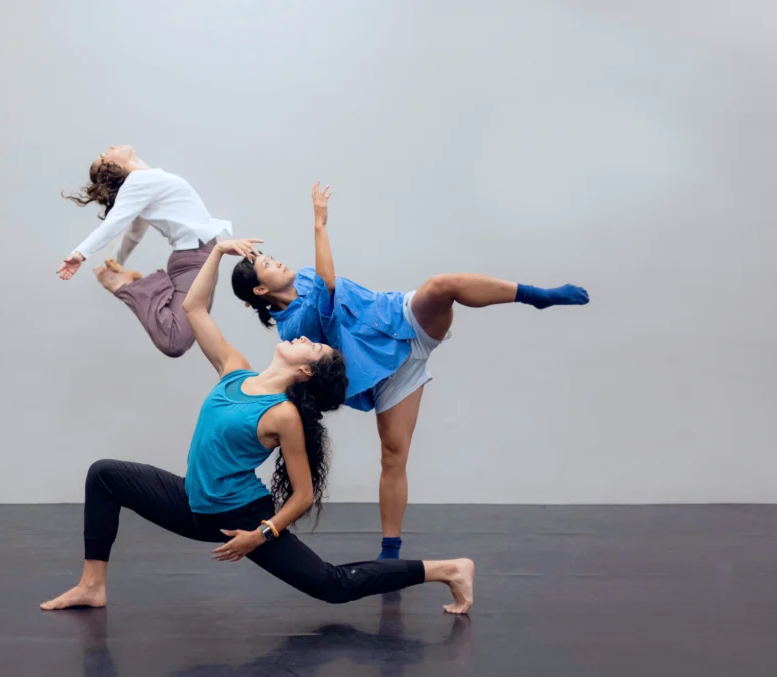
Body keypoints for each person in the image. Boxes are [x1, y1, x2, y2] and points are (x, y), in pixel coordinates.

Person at [40, 237, 476, 614]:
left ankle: (447, 569)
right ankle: (92, 586)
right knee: (104, 476)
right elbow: (193, 307)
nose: (304, 338)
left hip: (241, 518)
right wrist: (219, 253)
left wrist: (261, 534)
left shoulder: (282, 415)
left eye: (313, 349)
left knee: (331, 586)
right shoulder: (236, 370)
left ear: (306, 373)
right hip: (192, 504)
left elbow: (304, 494)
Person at [231, 183, 590, 560]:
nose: (277, 262)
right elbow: (330, 284)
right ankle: (391, 552)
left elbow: (323, 280)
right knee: (393, 456)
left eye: (271, 257)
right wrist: (320, 224)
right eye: (266, 265)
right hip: (386, 375)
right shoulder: (294, 329)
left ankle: (537, 297)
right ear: (258, 291)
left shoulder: (304, 275)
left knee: (441, 285)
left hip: (403, 320)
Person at [56, 145, 233, 357]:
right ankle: (128, 286)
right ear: (112, 166)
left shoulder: (146, 180)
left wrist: (116, 261)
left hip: (197, 255)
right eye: (105, 154)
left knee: (193, 329)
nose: (111, 147)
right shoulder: (137, 182)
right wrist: (80, 253)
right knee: (175, 340)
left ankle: (130, 282)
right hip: (195, 257)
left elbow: (135, 232)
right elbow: (115, 222)